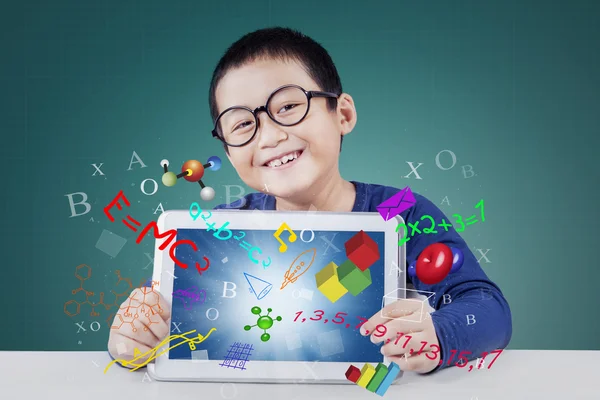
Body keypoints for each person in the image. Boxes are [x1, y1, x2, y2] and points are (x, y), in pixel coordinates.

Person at [108, 27, 512, 374]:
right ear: (230, 155)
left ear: (343, 114)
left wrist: (440, 335)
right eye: (243, 124)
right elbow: (150, 321)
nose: (268, 137)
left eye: (288, 106)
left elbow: (489, 308)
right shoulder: (217, 229)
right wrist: (132, 341)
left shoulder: (402, 211)